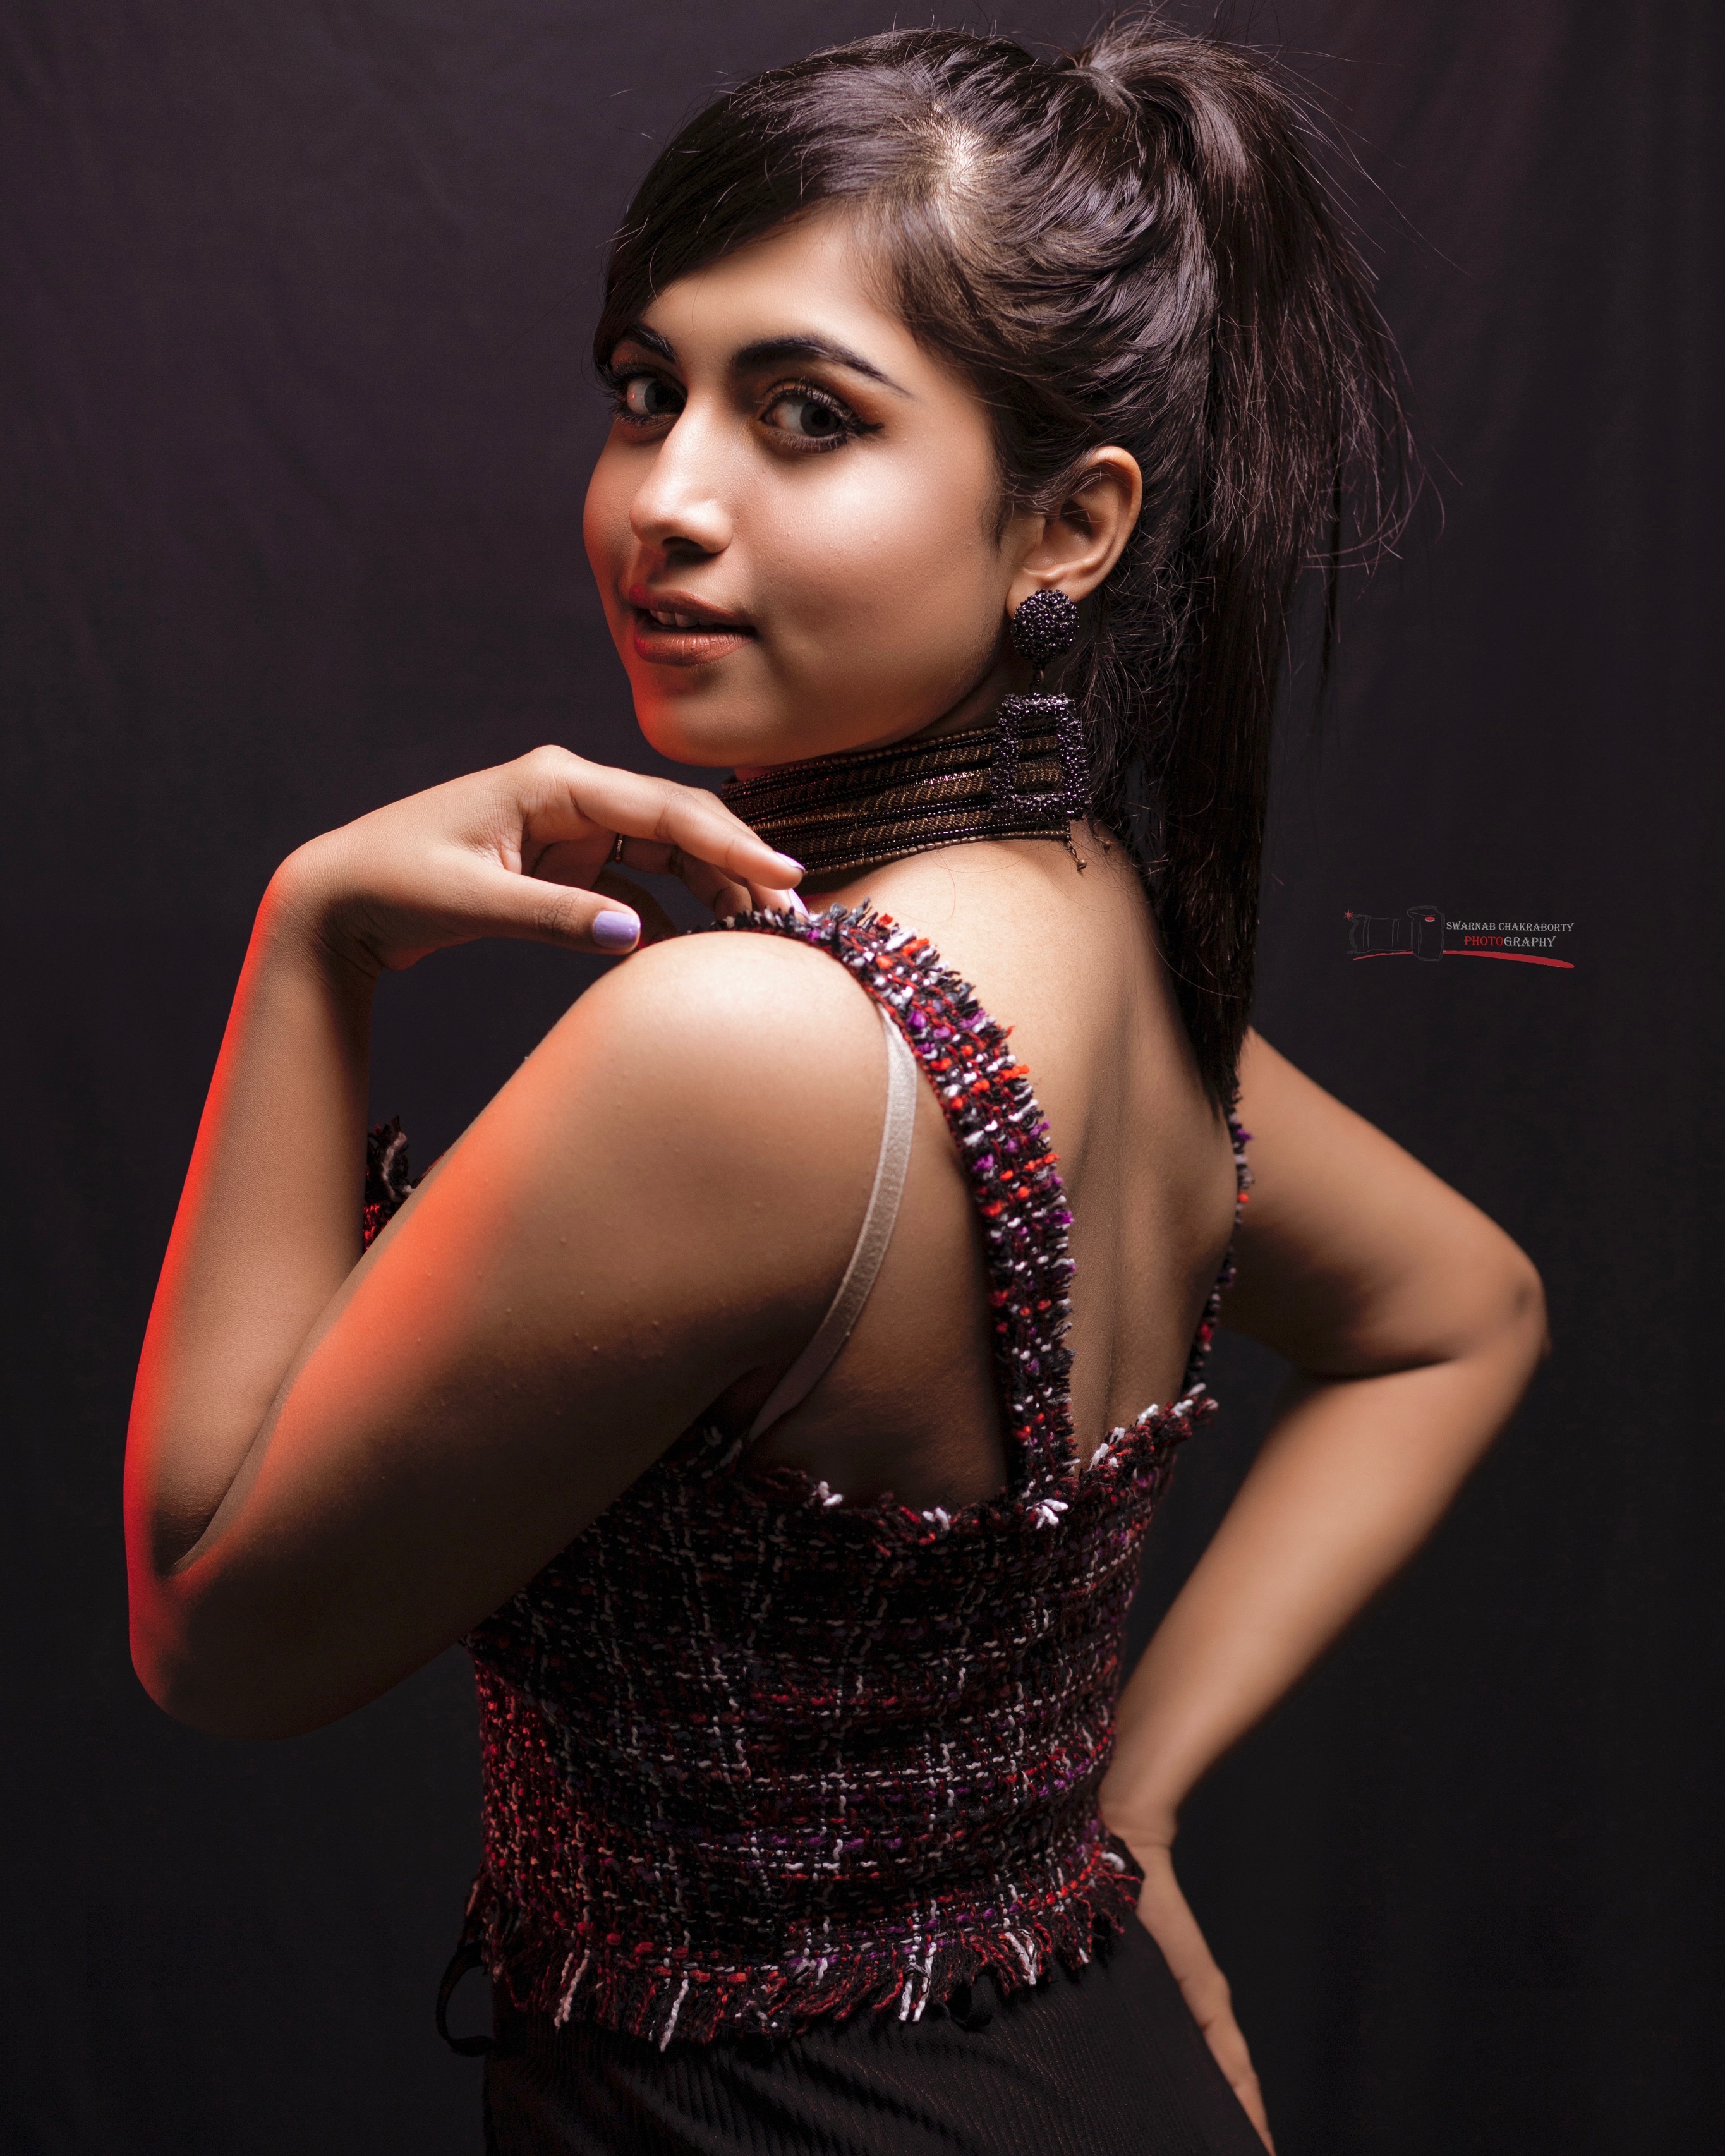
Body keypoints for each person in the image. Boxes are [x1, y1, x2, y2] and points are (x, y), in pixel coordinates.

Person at [124, 16, 1548, 2153]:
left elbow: (212, 1635)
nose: (664, 501)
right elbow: (1464, 1304)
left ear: (1065, 526)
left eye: (805, 415)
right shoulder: (1110, 951)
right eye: (645, 390)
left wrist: (309, 941)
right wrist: (1128, 1803)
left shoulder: (750, 1047)